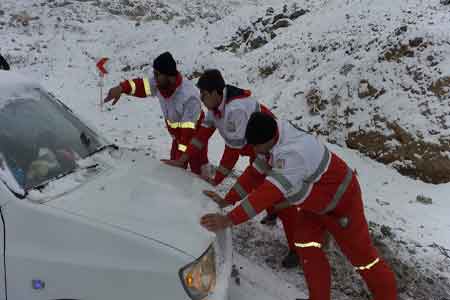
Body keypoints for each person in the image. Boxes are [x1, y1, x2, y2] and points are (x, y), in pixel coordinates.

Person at [200, 112, 397, 300]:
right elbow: (255, 174)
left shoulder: (293, 153)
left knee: (365, 261)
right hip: (315, 206)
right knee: (304, 243)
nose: (253, 151)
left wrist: (228, 219)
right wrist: (228, 199)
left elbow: (266, 195)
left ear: (267, 141)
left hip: (342, 204)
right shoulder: (271, 137)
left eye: (255, 147)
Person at [163, 69, 298, 268]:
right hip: (255, 148)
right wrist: (182, 159)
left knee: (281, 196)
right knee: (263, 185)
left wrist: (216, 180)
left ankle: (298, 249)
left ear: (216, 93)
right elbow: (201, 137)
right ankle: (272, 210)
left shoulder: (236, 110)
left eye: (204, 95)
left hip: (269, 148)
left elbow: (232, 152)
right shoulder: (215, 108)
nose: (201, 99)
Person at [104, 52, 208, 175]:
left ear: (169, 76)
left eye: (157, 74)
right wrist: (121, 88)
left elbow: (187, 134)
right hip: (178, 137)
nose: (154, 77)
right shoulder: (160, 84)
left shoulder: (189, 97)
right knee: (174, 170)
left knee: (197, 171)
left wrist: (180, 160)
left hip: (194, 138)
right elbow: (141, 86)